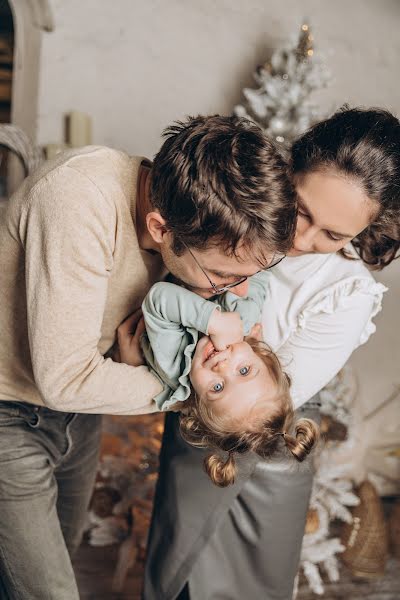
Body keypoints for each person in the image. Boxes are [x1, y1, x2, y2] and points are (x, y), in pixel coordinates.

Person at [0, 114, 296, 599]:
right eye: (223, 277)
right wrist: (201, 394)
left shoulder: (201, 221)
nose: (234, 292)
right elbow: (64, 379)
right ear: (160, 228)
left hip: (78, 416)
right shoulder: (79, 200)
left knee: (51, 560)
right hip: (10, 412)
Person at [142, 107, 400, 600]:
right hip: (195, 413)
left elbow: (274, 394)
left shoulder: (346, 294)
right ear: (289, 170)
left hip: (264, 440)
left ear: (366, 230)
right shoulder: (237, 216)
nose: (302, 239)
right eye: (301, 210)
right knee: (173, 567)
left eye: (334, 235)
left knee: (240, 584)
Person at [139, 276, 319, 486]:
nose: (222, 366)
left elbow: (159, 297)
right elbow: (260, 272)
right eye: (244, 370)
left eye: (217, 387)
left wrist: (213, 321)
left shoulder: (174, 363)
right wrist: (241, 276)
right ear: (261, 355)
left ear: (197, 403)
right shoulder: (245, 323)